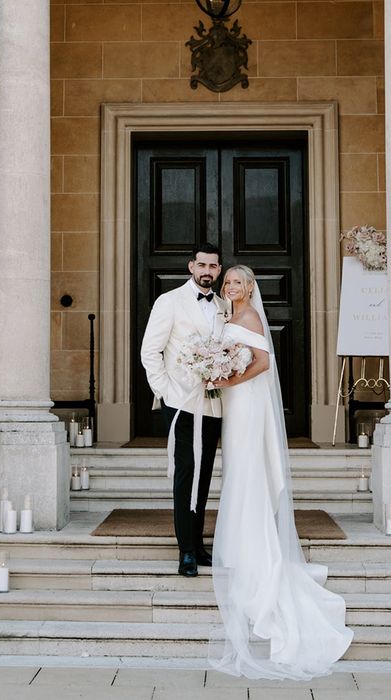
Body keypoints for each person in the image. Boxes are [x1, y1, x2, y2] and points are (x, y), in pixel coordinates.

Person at [209, 265, 353, 679]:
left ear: (249, 287)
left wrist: (229, 378)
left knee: (247, 466)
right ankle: (241, 537)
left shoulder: (250, 316)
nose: (231, 287)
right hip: (236, 403)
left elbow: (264, 363)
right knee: (237, 466)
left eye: (237, 282)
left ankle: (252, 546)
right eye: (228, 282)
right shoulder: (229, 317)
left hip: (247, 401)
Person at [140, 243, 229, 577]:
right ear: (192, 266)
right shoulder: (170, 301)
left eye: (213, 266)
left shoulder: (223, 305)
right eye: (202, 265)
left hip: (214, 405)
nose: (207, 271)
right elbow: (150, 352)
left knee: (204, 474)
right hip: (180, 404)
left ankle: (199, 543)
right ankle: (186, 550)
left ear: (219, 270)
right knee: (185, 474)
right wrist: (165, 392)